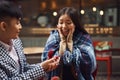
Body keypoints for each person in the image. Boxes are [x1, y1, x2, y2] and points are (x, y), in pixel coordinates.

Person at [0, 1, 60, 80]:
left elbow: (24, 68)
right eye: (17, 23)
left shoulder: (16, 41)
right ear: (4, 26)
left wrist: (44, 66)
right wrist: (40, 68)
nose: (20, 27)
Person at [41, 7, 96, 80]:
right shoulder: (53, 37)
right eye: (61, 22)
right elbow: (45, 61)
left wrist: (70, 45)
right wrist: (62, 45)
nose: (64, 26)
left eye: (68, 23)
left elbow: (90, 64)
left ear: (75, 24)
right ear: (57, 24)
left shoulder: (83, 37)